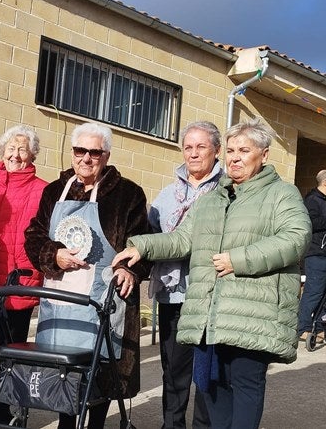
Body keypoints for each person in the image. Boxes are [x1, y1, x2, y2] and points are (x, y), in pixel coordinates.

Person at [115, 119, 310, 428]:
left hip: (252, 313)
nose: (235, 157)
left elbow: (296, 239)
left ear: (264, 155)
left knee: (245, 385)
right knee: (214, 386)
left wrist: (239, 259)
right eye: (231, 150)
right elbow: (181, 239)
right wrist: (141, 247)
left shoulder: (282, 195)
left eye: (244, 150)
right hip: (211, 315)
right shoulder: (211, 200)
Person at [25, 122, 153, 429]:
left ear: (106, 155)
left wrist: (128, 269)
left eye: (94, 152)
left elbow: (142, 244)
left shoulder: (128, 195)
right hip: (61, 298)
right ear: (72, 153)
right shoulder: (54, 191)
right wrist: (53, 254)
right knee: (63, 374)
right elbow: (34, 235)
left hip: (104, 299)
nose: (86, 158)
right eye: (80, 150)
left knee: (102, 375)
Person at [0, 125, 48, 423]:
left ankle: (1, 414)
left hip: (19, 285)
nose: (16, 155)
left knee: (10, 355)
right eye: (11, 149)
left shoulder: (43, 190)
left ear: (33, 155)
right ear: (2, 152)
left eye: (23, 149)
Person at [146, 122, 221, 429]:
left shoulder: (226, 190)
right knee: (173, 369)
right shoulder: (167, 194)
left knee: (206, 370)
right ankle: (172, 425)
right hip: (172, 294)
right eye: (188, 147)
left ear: (216, 150)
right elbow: (152, 235)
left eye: (201, 147)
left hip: (209, 295)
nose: (193, 153)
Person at [297, 169, 326, 344]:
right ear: (325, 182)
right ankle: (302, 328)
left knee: (324, 294)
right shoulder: (312, 200)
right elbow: (311, 224)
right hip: (318, 253)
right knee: (313, 292)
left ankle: (318, 327)